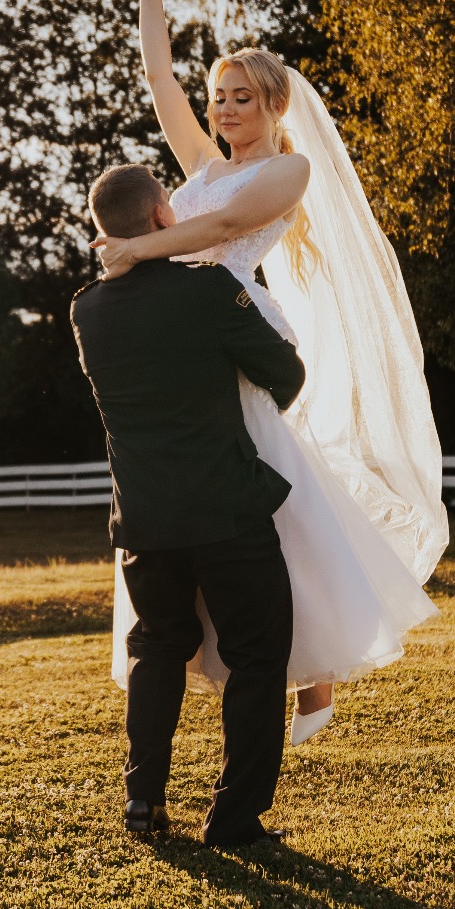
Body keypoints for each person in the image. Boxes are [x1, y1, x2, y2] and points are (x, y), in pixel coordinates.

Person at [93, 0, 447, 746]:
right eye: (218, 97)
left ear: (275, 105)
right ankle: (233, 653)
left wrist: (136, 247)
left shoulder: (287, 171)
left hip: (240, 333)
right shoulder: (205, 164)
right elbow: (157, 79)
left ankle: (315, 668)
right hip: (192, 339)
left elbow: (228, 225)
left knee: (270, 505)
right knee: (216, 500)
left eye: (240, 97)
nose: (221, 109)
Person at [71, 163, 306, 847]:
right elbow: (285, 375)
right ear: (162, 217)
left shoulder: (85, 309)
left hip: (143, 516)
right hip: (226, 506)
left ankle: (143, 802)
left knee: (156, 646)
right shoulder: (208, 291)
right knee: (258, 654)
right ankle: (234, 820)